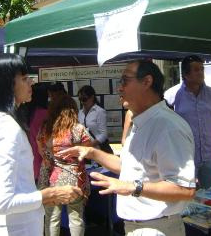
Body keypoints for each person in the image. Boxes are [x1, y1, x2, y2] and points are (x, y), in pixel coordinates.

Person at [60, 60, 196, 236]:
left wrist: (133, 187)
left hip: (156, 228)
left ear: (147, 82)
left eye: (125, 81)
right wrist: (92, 152)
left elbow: (184, 189)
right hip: (137, 227)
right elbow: (128, 167)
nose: (119, 88)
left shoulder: (167, 126)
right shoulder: (141, 122)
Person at [0, 53, 82, 236]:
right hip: (16, 228)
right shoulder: (5, 127)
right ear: (7, 85)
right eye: (24, 78)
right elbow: (3, 201)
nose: (31, 82)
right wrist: (49, 195)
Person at [164, 55, 211, 189]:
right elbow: (162, 114)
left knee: (210, 195)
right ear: (186, 74)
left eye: (202, 69)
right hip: (185, 157)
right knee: (186, 196)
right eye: (196, 70)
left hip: (209, 156)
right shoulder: (172, 94)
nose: (201, 73)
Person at [37, 95, 93, 236]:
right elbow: (87, 151)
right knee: (76, 218)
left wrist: (50, 157)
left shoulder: (45, 128)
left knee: (51, 218)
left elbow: (40, 148)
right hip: (75, 178)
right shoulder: (79, 129)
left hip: (50, 178)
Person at [77, 85, 112, 154]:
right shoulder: (80, 113)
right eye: (80, 99)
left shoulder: (99, 111)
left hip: (99, 150)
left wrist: (91, 145)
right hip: (85, 151)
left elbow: (103, 134)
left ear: (92, 97)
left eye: (84, 99)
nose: (82, 102)